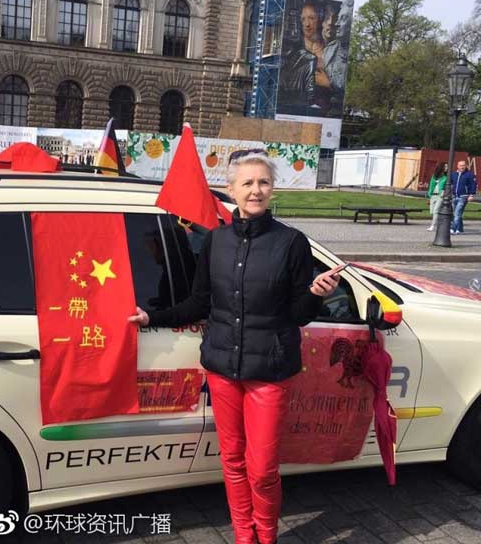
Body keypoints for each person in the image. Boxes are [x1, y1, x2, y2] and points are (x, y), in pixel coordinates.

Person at [128, 151, 339, 544]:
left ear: (272, 189)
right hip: (222, 369)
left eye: (263, 182)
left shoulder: (291, 242)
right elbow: (198, 303)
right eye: (247, 183)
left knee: (262, 470)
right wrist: (152, 317)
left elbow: (298, 314)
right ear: (232, 190)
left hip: (269, 372)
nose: (256, 190)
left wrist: (316, 294)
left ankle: (266, 535)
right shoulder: (216, 241)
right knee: (232, 460)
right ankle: (244, 535)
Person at [450, 160, 477, 235]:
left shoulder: (469, 174)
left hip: (463, 196)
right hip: (454, 196)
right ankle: (460, 229)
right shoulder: (453, 174)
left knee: (457, 213)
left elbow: (473, 185)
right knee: (457, 213)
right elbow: (450, 183)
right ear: (457, 166)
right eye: (460, 165)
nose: (462, 167)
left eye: (463, 165)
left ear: (466, 166)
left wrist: (471, 195)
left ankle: (453, 228)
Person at [426, 162, 448, 232]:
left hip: (440, 195)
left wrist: (443, 193)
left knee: (436, 210)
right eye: (445, 167)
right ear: (441, 167)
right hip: (433, 195)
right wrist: (429, 194)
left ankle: (432, 226)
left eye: (447, 167)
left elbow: (445, 186)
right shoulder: (434, 176)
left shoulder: (446, 177)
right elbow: (431, 185)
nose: (447, 168)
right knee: (432, 211)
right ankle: (442, 223)